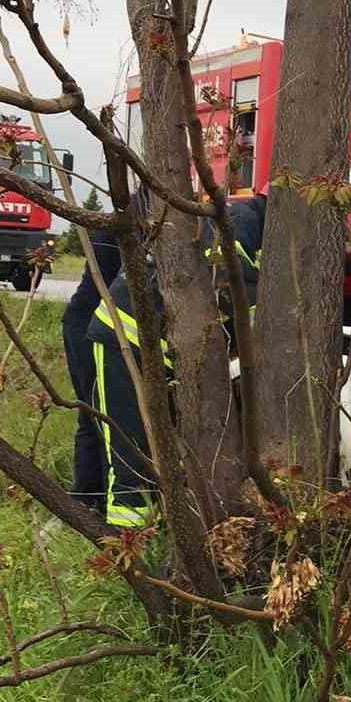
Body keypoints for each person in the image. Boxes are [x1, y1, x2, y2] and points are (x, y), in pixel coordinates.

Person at [86, 192, 267, 529]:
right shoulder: (242, 220)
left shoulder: (249, 223)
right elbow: (228, 278)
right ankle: (126, 544)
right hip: (125, 340)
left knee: (164, 451)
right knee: (131, 455)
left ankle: (155, 533)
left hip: (165, 345)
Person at [62, 221, 124, 512]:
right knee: (97, 412)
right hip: (89, 326)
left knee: (95, 412)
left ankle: (88, 497)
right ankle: (89, 498)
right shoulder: (121, 229)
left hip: (91, 323)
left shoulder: (120, 225)